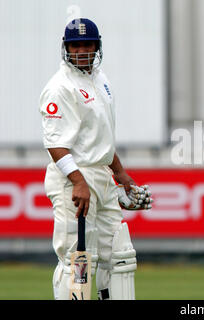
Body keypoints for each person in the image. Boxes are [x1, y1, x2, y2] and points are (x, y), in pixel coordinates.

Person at [39, 18, 152, 300]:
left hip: (102, 175)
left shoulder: (100, 79)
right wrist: (78, 182)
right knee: (79, 259)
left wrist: (121, 174)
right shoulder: (60, 87)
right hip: (74, 178)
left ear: (97, 46)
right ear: (66, 49)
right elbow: (55, 145)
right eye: (75, 46)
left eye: (87, 44)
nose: (82, 51)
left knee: (116, 255)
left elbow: (101, 139)